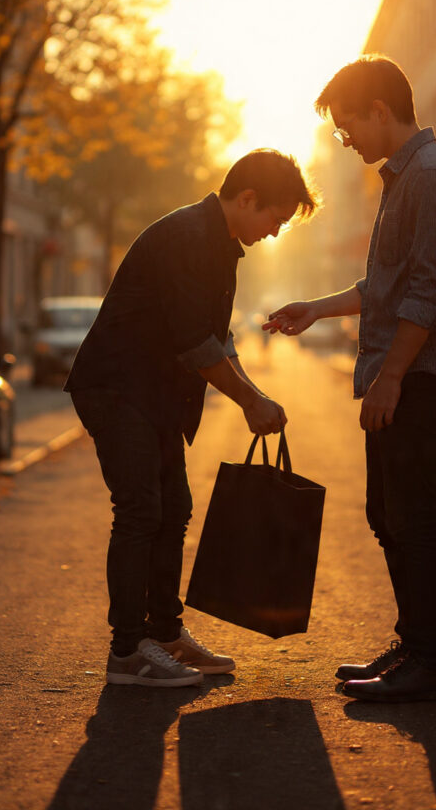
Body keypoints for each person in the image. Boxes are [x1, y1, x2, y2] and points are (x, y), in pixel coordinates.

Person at [265, 56, 436, 702]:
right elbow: (383, 287)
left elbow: (429, 291)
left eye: (347, 125)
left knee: (413, 514)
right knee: (386, 512)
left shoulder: (434, 178)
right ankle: (415, 644)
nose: (346, 138)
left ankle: (432, 662)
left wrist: (390, 376)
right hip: (401, 371)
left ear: (380, 112)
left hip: (424, 373)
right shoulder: (402, 180)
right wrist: (318, 309)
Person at [65, 149, 317, 688]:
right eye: (275, 218)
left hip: (155, 393)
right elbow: (192, 342)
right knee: (140, 510)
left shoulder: (221, 247)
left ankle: (164, 634)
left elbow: (215, 340)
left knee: (173, 508)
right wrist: (251, 402)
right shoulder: (186, 237)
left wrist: (254, 392)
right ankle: (128, 652)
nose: (275, 232)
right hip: (116, 387)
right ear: (247, 199)